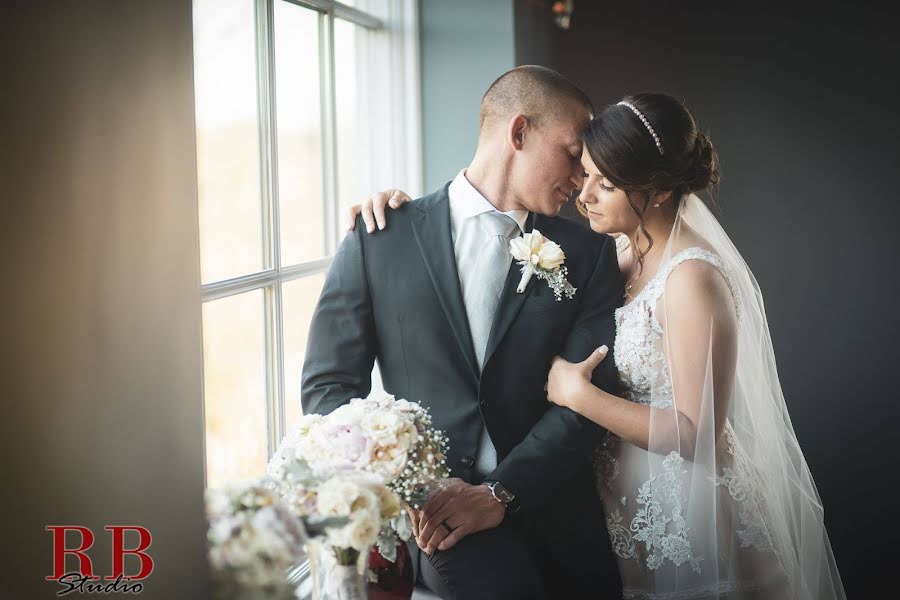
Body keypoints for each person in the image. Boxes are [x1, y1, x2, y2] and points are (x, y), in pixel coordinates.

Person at [352, 92, 845, 599]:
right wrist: (405, 215)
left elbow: (698, 431)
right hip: (612, 502)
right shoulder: (613, 252)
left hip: (682, 508)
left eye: (604, 184)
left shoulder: (692, 279)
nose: (583, 194)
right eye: (585, 173)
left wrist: (580, 396)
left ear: (653, 191)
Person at [302, 65, 625, 599]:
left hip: (555, 508)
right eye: (572, 154)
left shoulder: (588, 254)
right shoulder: (379, 238)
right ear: (518, 133)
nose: (581, 178)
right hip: (437, 521)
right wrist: (404, 487)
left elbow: (587, 400)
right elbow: (328, 390)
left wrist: (501, 493)